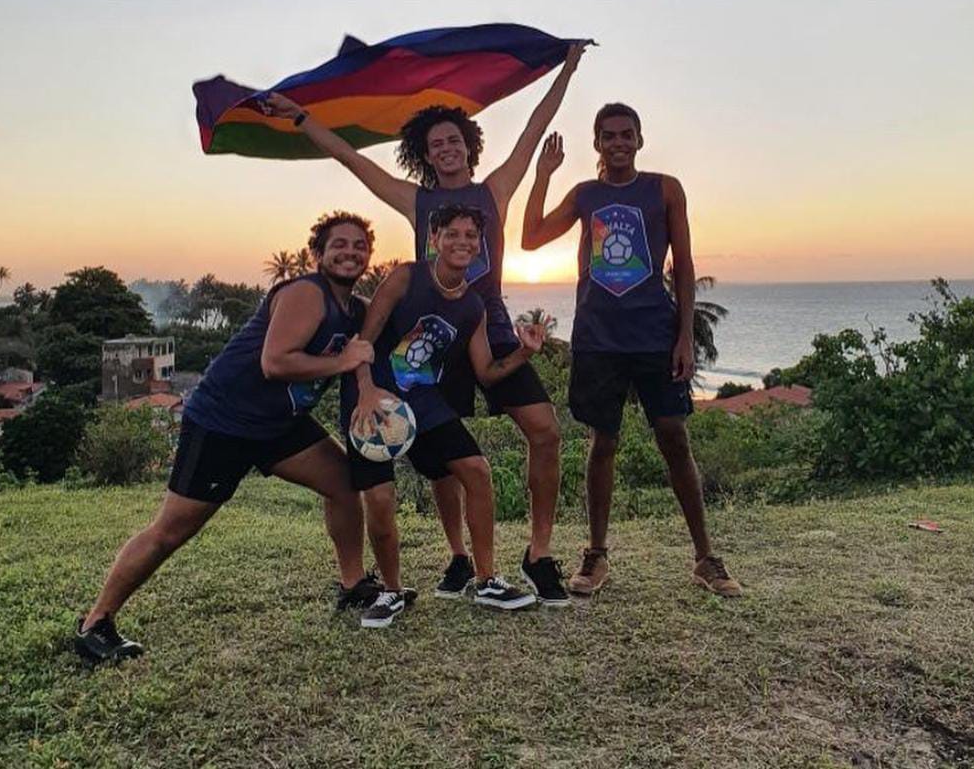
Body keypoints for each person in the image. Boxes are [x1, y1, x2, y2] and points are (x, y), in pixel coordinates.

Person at [262, 41, 585, 604]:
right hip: (432, 342)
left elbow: (534, 129)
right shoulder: (417, 202)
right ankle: (460, 558)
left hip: (487, 324)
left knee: (545, 430)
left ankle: (538, 554)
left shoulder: (493, 190)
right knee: (442, 464)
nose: (446, 149)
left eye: (454, 140)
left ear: (469, 146)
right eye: (436, 145)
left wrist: (568, 67)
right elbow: (353, 161)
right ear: (425, 156)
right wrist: (302, 118)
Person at [74, 213, 381, 664]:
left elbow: (390, 319)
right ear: (317, 253)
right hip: (224, 422)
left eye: (360, 246)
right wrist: (343, 362)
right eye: (339, 244)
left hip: (279, 424)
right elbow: (275, 363)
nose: (350, 252)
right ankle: (95, 624)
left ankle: (353, 585)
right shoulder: (305, 293)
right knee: (172, 530)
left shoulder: (354, 309)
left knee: (343, 481)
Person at [521, 105, 742, 598]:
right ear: (597, 144)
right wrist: (543, 175)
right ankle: (596, 554)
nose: (618, 142)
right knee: (603, 442)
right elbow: (530, 238)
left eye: (626, 134)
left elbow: (684, 265)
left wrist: (684, 336)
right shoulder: (585, 195)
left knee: (674, 437)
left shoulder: (665, 189)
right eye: (608, 136)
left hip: (654, 334)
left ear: (640, 139)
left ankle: (705, 557)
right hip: (598, 336)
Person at [346, 204, 542, 629]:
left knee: (477, 470)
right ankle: (392, 591)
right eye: (452, 233)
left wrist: (524, 352)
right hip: (371, 395)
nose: (461, 242)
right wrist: (365, 389)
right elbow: (364, 341)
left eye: (470, 235)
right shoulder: (406, 277)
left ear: (480, 245)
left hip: (424, 399)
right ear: (433, 239)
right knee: (380, 498)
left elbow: (486, 372)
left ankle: (486, 580)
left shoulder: (473, 307)